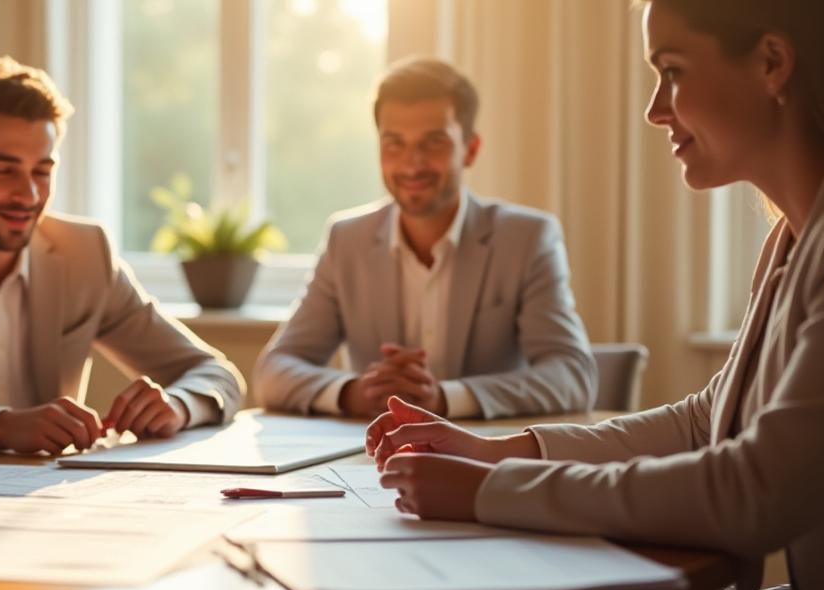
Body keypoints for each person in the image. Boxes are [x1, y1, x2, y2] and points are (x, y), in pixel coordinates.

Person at [367, 1, 824, 590]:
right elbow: (707, 421)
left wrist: (490, 491)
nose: (655, 110)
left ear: (773, 63)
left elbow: (754, 495)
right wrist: (493, 453)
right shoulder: (807, 232)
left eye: (672, 72)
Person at [0, 57, 243, 459]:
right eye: (3, 170)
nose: (29, 196)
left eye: (42, 171)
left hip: (47, 498)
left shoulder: (85, 254)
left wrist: (176, 405)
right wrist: (0, 426)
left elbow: (216, 374)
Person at [254, 57, 595, 420]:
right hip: (370, 463)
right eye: (394, 144)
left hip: (485, 461)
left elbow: (573, 377)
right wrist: (354, 392)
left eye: (433, 143)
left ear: (471, 149)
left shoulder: (526, 239)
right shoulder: (346, 241)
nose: (412, 164)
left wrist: (445, 399)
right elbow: (274, 370)